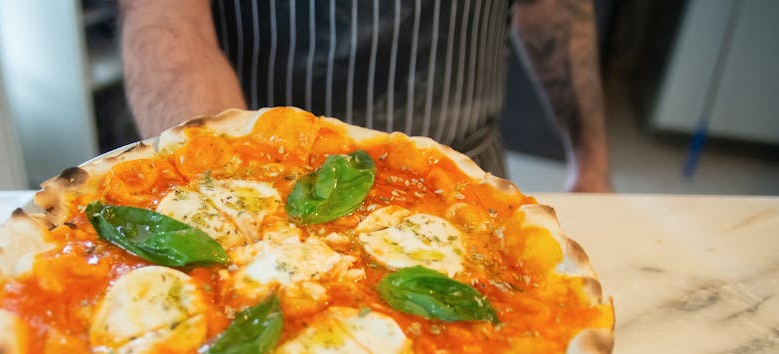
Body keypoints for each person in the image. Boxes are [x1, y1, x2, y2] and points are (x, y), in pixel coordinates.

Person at [119, 0, 612, 192]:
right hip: (260, 171)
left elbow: (554, 8)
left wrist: (591, 161)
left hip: (463, 174)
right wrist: (228, 194)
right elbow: (167, 18)